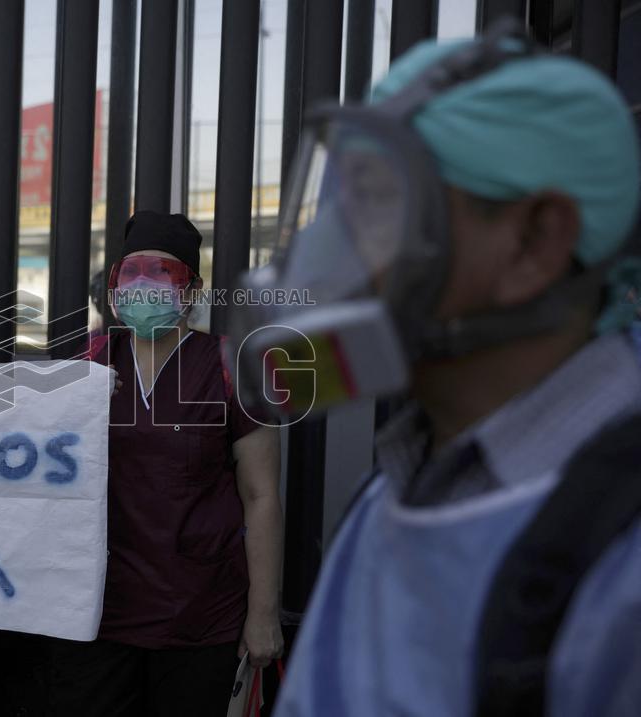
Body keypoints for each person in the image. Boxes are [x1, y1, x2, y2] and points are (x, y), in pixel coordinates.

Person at [258, 22, 641, 717]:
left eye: (374, 200)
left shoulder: (621, 565)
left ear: (533, 242)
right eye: (334, 203)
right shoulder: (401, 486)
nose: (327, 247)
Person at [47, 211, 284, 716]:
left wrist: (264, 613)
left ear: (192, 292)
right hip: (102, 613)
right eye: (129, 274)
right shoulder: (88, 362)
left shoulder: (233, 367)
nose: (143, 287)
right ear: (113, 287)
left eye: (161, 274)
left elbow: (261, 497)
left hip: (201, 614)